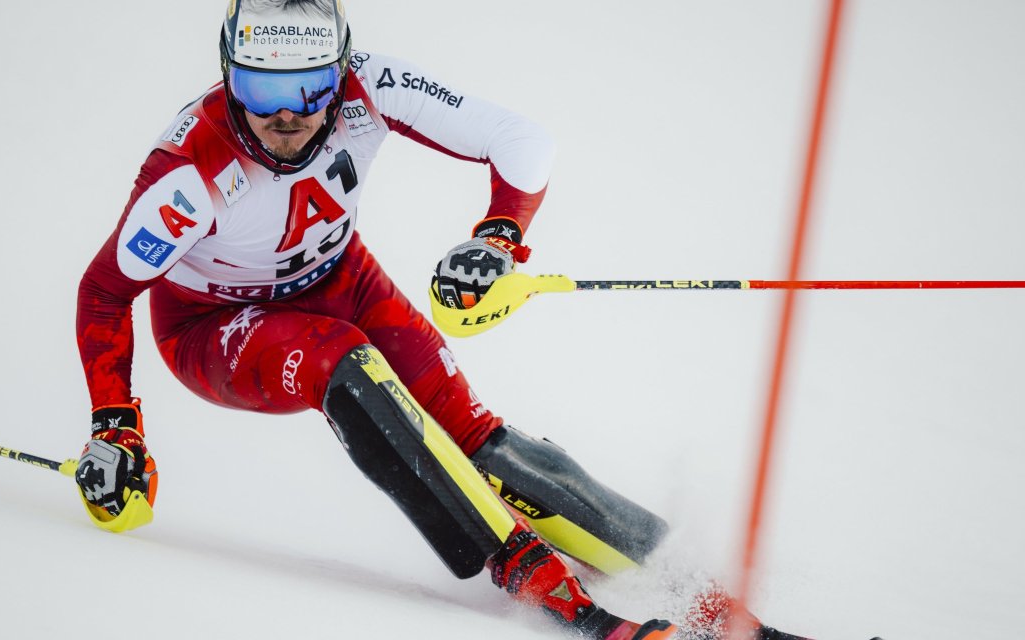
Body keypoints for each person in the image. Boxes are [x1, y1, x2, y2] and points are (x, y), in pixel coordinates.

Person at [71, 2, 798, 639]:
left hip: (338, 280)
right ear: (228, 74)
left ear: (342, 71)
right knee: (340, 359)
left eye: (311, 87)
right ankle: (543, 585)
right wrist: (115, 426)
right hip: (213, 324)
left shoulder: (371, 88)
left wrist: (498, 239)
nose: (286, 114)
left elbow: (523, 141)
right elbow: (104, 292)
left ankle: (693, 590)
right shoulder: (186, 174)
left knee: (474, 435)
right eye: (261, 89)